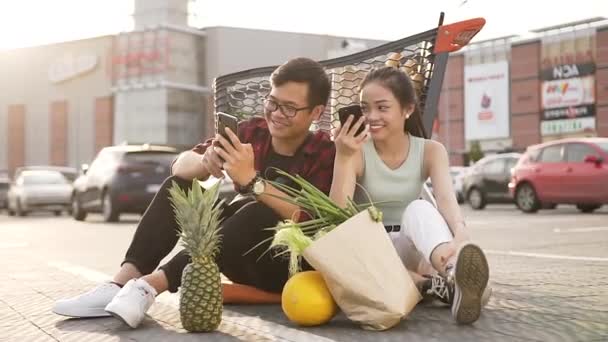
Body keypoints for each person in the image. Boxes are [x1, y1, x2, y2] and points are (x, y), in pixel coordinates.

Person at [52, 57, 335, 328]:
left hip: (286, 267)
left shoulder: (324, 152)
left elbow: (313, 218)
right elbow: (179, 166)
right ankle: (121, 283)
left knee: (257, 209)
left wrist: (253, 183)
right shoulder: (252, 132)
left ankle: (151, 287)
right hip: (236, 254)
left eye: (289, 108)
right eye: (272, 102)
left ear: (316, 112)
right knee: (179, 187)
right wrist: (205, 160)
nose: (276, 114)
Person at [330, 66, 490, 325]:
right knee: (362, 244)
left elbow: (446, 201)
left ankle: (452, 273)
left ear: (407, 109)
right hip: (373, 253)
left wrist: (460, 231)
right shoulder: (355, 151)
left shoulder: (431, 151)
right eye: (365, 108)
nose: (371, 116)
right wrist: (343, 157)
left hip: (412, 246)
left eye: (382, 108)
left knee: (419, 208)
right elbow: (337, 216)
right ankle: (438, 288)